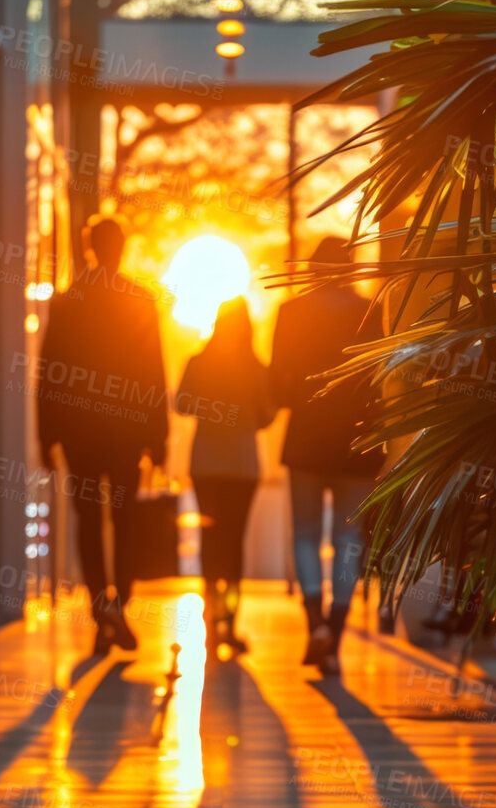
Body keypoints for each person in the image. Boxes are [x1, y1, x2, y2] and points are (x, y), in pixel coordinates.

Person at [37, 215, 168, 654]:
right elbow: (154, 373)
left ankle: (101, 611)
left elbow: (49, 372)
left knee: (89, 522)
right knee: (126, 522)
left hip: (81, 432)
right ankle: (117, 606)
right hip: (126, 432)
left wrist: (46, 434)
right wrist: (159, 436)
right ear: (122, 247)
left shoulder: (69, 300)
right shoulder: (140, 300)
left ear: (90, 247)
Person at [270, 234, 377, 675]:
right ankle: (336, 626)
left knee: (305, 531)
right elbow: (377, 375)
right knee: (350, 538)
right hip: (356, 441)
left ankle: (314, 620)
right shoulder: (366, 311)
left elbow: (277, 382)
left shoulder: (291, 313)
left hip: (307, 439)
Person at [179, 297, 274, 660]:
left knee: (211, 541)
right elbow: (266, 415)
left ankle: (211, 615)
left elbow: (181, 404)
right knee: (234, 543)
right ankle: (229, 624)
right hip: (242, 466)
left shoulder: (199, 362)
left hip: (205, 463)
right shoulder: (256, 368)